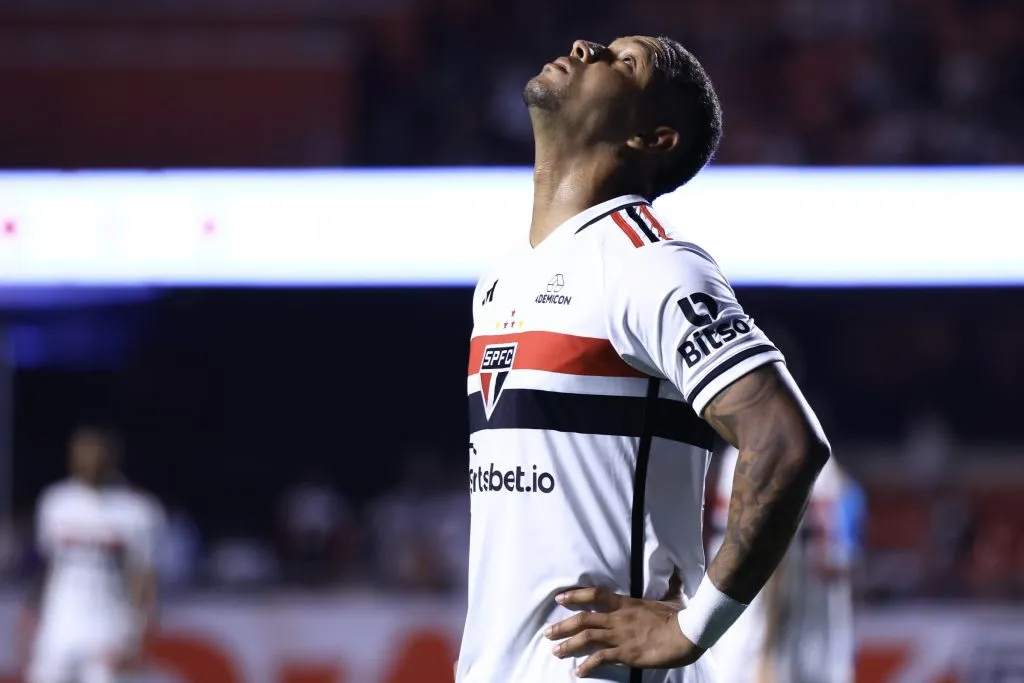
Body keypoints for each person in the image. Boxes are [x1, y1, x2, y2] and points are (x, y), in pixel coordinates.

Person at [456, 36, 831, 683]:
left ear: (654, 139)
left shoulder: (652, 264)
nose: (587, 45)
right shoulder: (501, 280)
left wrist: (691, 627)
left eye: (625, 62)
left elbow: (784, 440)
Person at [18, 426, 165, 683]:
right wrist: (29, 617)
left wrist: (139, 635)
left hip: (109, 629)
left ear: (111, 458)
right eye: (81, 453)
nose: (88, 460)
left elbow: (144, 577)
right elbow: (48, 566)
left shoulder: (137, 509)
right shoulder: (56, 502)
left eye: (96, 454)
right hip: (59, 627)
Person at [708, 449, 860, 683]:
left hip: (792, 573)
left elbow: (825, 534)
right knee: (743, 650)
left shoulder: (799, 443)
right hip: (755, 569)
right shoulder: (741, 453)